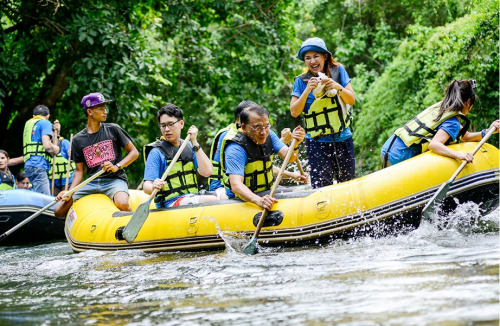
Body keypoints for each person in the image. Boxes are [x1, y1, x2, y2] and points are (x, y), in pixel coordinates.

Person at [55, 92, 139, 217]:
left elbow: (134, 153)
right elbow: (79, 172)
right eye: (100, 109)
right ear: (89, 112)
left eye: (105, 108)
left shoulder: (113, 129)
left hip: (114, 180)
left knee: (122, 203)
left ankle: (136, 225)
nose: (105, 112)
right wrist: (69, 191)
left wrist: (117, 166)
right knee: (58, 211)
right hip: (92, 182)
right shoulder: (78, 139)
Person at [381, 79, 500, 166]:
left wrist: (488, 132)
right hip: (399, 156)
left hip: (388, 148)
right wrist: (459, 155)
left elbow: (465, 136)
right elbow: (434, 145)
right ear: (468, 102)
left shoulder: (442, 108)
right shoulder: (452, 121)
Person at [290, 37, 356, 188]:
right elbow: (294, 111)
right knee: (322, 188)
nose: (312, 61)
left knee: (348, 185)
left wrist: (337, 86)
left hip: (343, 138)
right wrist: (307, 91)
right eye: (308, 58)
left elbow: (351, 99)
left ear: (325, 56)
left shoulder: (338, 71)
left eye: (315, 56)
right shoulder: (301, 81)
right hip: (317, 143)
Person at [209, 100, 307, 199]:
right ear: (243, 124)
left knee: (297, 192)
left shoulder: (267, 133)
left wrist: (295, 144)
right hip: (231, 192)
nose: (263, 132)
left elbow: (285, 159)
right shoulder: (234, 144)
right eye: (257, 127)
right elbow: (236, 184)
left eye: (266, 126)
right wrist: (259, 201)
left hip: (264, 190)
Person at [143, 104, 219, 208]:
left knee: (223, 197)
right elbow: (146, 186)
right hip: (170, 203)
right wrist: (153, 186)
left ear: (181, 124)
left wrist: (194, 142)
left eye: (170, 124)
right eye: (163, 125)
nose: (167, 129)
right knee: (211, 200)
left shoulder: (190, 145)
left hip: (192, 196)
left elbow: (207, 172)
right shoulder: (156, 152)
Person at [22, 105, 60, 195]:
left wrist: (57, 132)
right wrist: (56, 148)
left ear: (33, 116)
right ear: (48, 116)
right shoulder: (45, 123)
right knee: (44, 200)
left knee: (37, 196)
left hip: (28, 165)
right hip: (38, 165)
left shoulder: (29, 124)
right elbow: (47, 146)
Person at [48, 123, 75, 196]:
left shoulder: (64, 143)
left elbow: (75, 156)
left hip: (67, 180)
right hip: (53, 181)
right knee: (53, 201)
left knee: (67, 199)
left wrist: (72, 154)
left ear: (54, 132)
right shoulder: (46, 146)